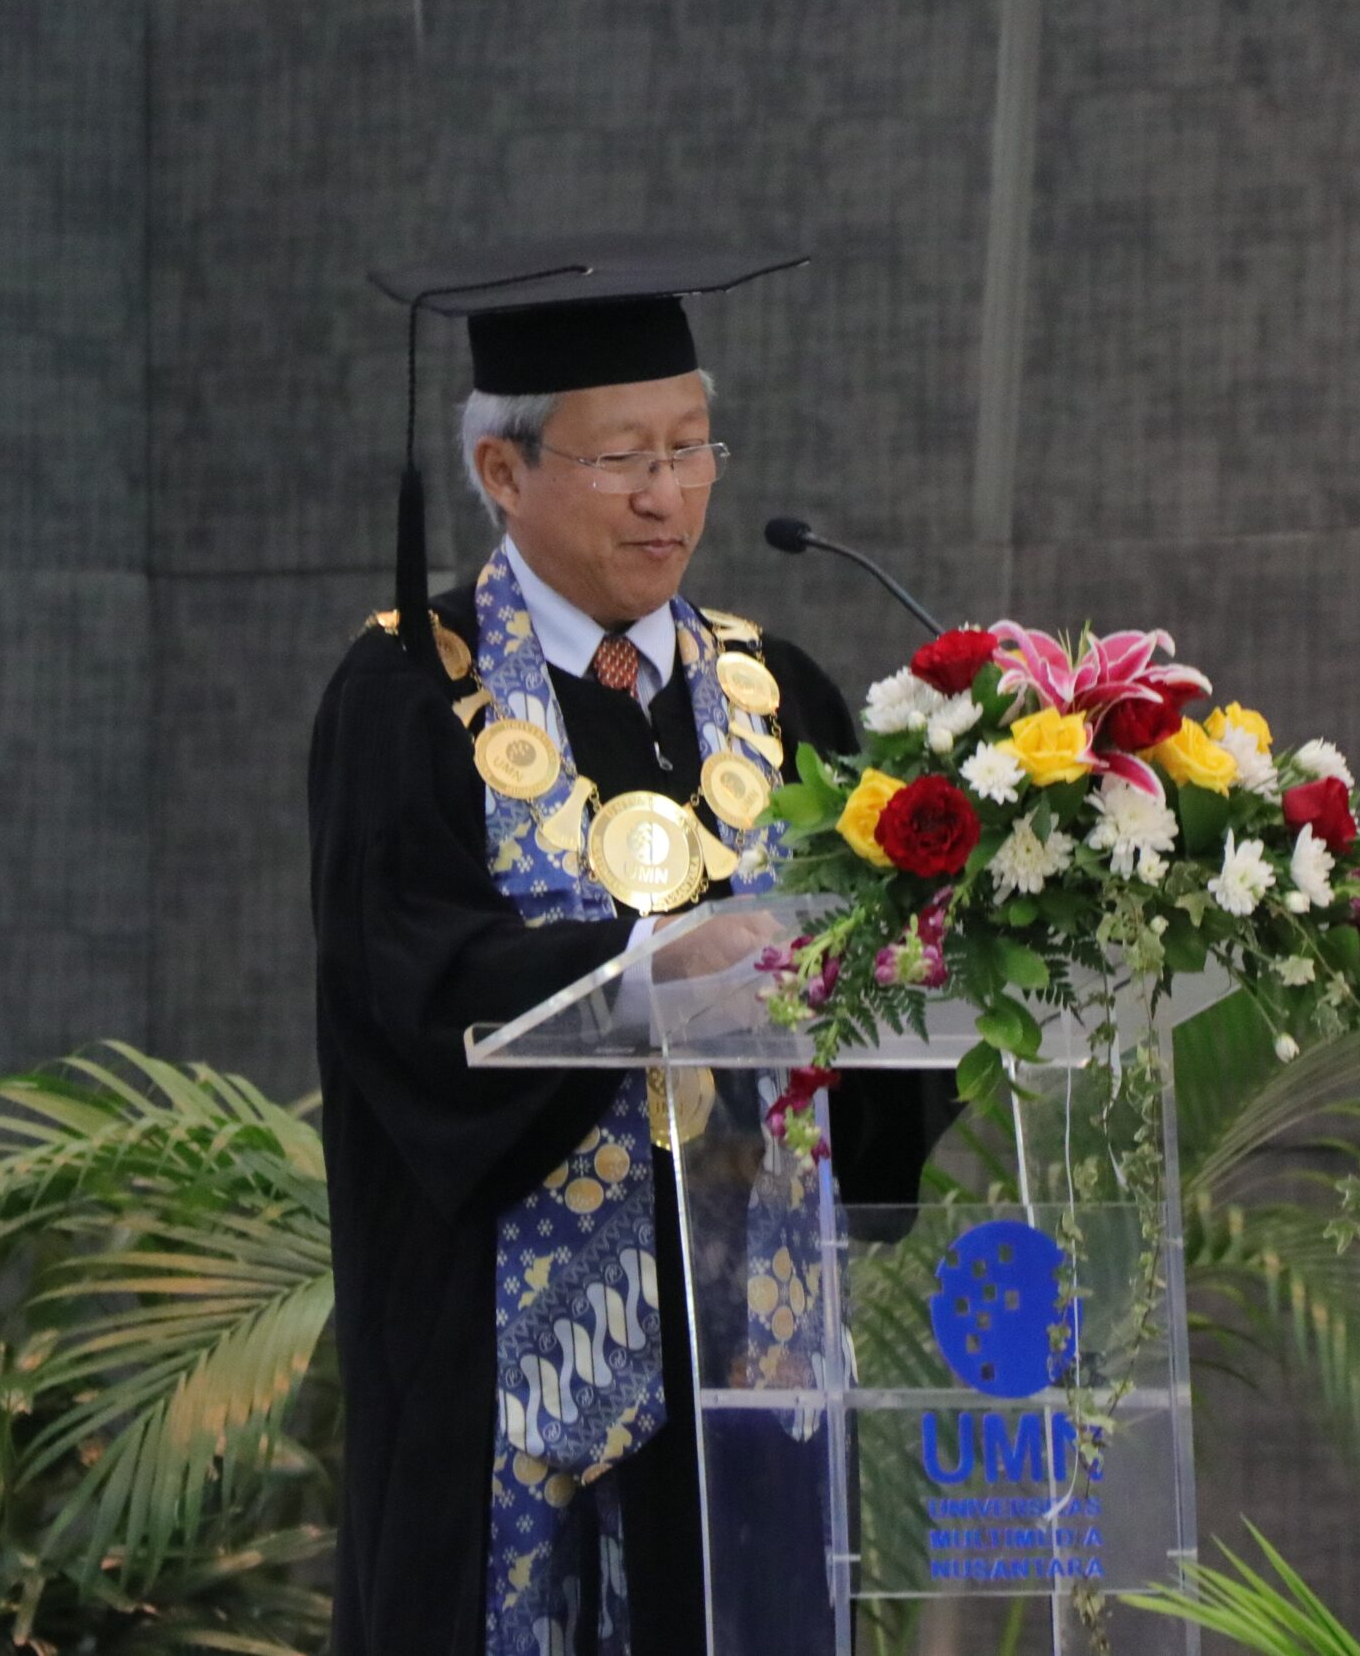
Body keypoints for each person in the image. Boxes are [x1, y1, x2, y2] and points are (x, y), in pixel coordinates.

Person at [308, 238, 949, 1656]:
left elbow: (878, 995)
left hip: (752, 1339)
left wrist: (938, 965)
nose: (670, 493)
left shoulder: (775, 691)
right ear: (503, 471)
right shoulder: (412, 694)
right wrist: (637, 973)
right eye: (624, 459)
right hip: (501, 1346)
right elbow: (401, 985)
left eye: (691, 448)